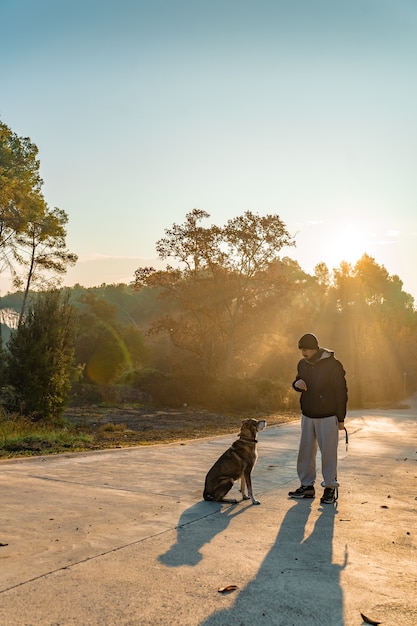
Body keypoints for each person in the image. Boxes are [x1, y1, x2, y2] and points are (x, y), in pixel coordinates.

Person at [288, 333, 348, 504]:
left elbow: (341, 391)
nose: (302, 353)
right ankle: (307, 486)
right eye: (301, 350)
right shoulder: (302, 364)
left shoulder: (332, 365)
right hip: (307, 414)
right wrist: (296, 385)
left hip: (328, 416)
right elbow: (298, 381)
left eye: (305, 350)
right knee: (305, 452)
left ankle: (330, 488)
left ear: (314, 349)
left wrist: (341, 417)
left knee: (328, 453)